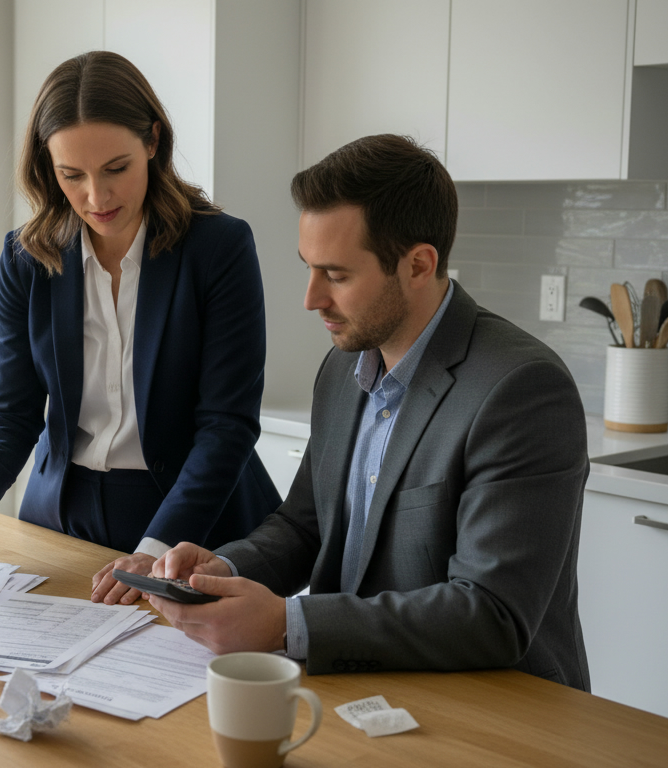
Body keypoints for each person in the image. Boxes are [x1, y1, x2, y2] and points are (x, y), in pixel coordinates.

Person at [148, 134, 591, 690]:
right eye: (309, 268)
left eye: (336, 275)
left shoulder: (521, 390)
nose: (311, 299)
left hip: (494, 706)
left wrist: (287, 623)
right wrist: (225, 571)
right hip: (364, 689)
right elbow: (305, 523)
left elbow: (493, 615)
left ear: (418, 265)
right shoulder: (344, 367)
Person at [0, 51, 281, 605]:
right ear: (47, 166)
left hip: (193, 524)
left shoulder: (218, 248)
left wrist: (157, 546)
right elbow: (12, 408)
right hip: (61, 516)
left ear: (153, 142)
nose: (96, 197)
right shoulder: (25, 257)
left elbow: (227, 424)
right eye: (71, 175)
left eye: (116, 168)